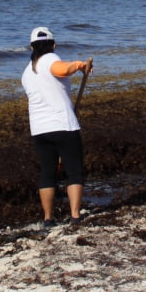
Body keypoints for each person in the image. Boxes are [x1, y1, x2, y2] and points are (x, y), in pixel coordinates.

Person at [20, 27, 92, 230]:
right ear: (53, 45)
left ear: (31, 47)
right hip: (63, 125)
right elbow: (60, 69)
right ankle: (75, 216)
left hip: (40, 129)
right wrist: (79, 65)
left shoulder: (27, 72)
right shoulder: (51, 59)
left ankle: (48, 218)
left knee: (47, 173)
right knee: (74, 172)